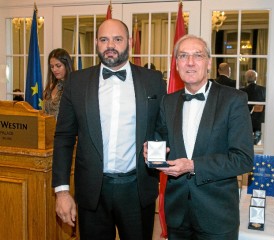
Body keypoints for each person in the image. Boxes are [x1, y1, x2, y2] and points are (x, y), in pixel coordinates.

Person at [52, 19, 166, 240]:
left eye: (117, 39)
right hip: (92, 191)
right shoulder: (77, 81)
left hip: (137, 190)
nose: (110, 45)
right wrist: (62, 191)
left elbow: (161, 128)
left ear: (129, 42)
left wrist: (159, 159)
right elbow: (64, 138)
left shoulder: (152, 80)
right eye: (104, 39)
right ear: (96, 42)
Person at [145, 35, 254, 239]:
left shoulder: (234, 100)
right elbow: (161, 141)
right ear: (176, 63)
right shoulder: (167, 102)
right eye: (183, 56)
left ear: (209, 62)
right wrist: (151, 151)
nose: (190, 62)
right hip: (177, 214)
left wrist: (193, 165)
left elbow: (243, 159)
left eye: (198, 55)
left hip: (217, 216)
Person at [43, 48, 74, 119]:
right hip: (48, 128)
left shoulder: (74, 86)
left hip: (65, 129)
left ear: (66, 65)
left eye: (58, 66)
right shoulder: (51, 86)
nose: (54, 70)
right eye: (52, 66)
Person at [241, 69, 266, 144]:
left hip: (245, 123)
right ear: (256, 78)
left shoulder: (241, 91)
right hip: (260, 124)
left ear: (246, 79)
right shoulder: (263, 90)